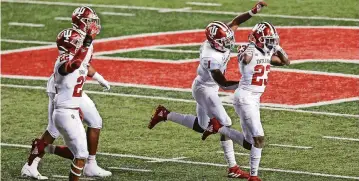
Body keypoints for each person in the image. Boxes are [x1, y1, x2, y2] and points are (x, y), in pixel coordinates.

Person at [148, 2, 267, 179]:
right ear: (214, 42)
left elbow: (235, 22)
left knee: (202, 126)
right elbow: (225, 83)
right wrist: (246, 84)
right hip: (205, 89)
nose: (228, 42)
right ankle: (232, 167)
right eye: (223, 41)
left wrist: (252, 11)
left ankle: (165, 114)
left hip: (205, 86)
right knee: (224, 124)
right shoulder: (210, 56)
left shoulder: (221, 39)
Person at [202, 22, 290, 181]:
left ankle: (219, 128)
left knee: (250, 143)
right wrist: (249, 48)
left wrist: (278, 48)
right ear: (258, 39)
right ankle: (253, 177)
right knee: (259, 138)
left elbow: (285, 62)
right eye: (268, 39)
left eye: (272, 39)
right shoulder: (249, 50)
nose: (271, 42)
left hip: (253, 99)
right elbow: (245, 59)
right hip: (245, 98)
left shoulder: (267, 51)